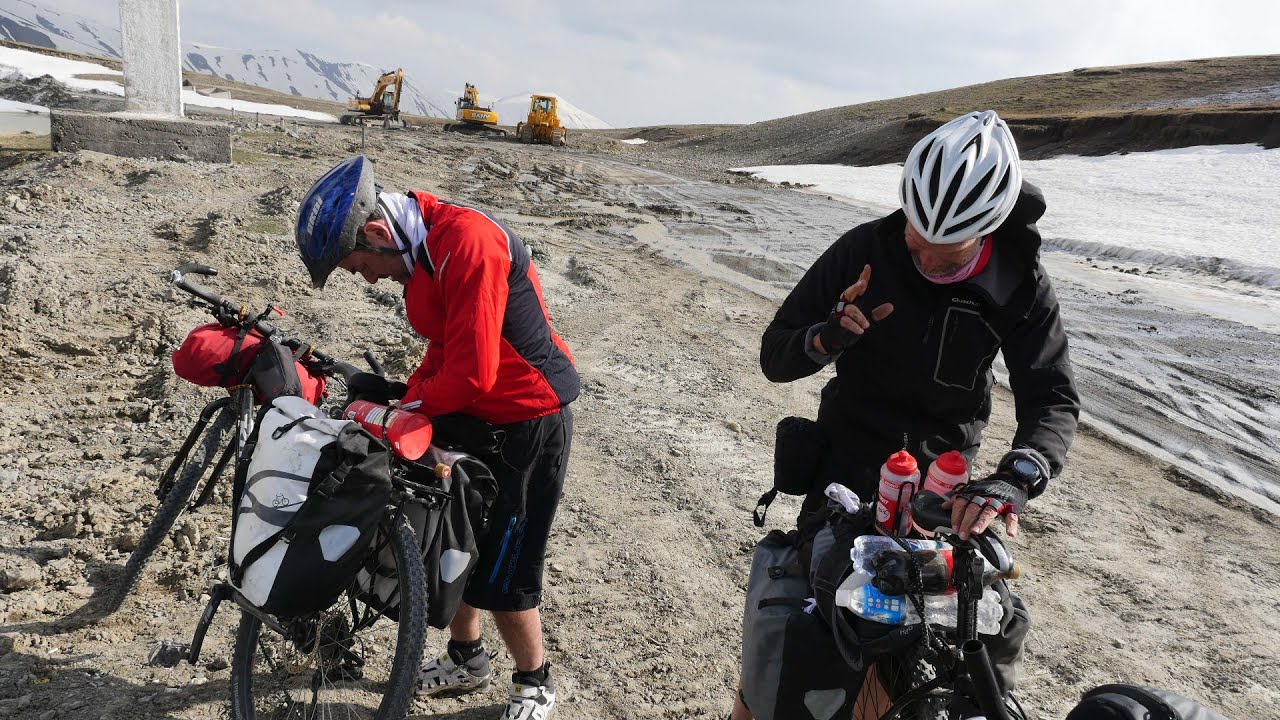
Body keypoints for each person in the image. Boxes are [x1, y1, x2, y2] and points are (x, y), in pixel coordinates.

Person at [734, 110, 1080, 719]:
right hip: (844, 471)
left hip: (943, 494)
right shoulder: (866, 248)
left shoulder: (1019, 281)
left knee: (949, 651)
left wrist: (1016, 479)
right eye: (916, 238)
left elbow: (1052, 397)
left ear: (988, 229)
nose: (922, 256)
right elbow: (775, 357)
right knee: (799, 640)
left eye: (946, 255)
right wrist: (827, 338)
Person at [296, 155, 579, 720]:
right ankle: (467, 658)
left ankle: (535, 682)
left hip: (528, 418)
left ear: (378, 233)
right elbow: (445, 347)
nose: (368, 279)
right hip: (474, 411)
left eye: (360, 267)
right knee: (453, 535)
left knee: (507, 563)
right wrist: (402, 397)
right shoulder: (421, 251)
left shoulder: (467, 243)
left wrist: (405, 409)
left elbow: (474, 372)